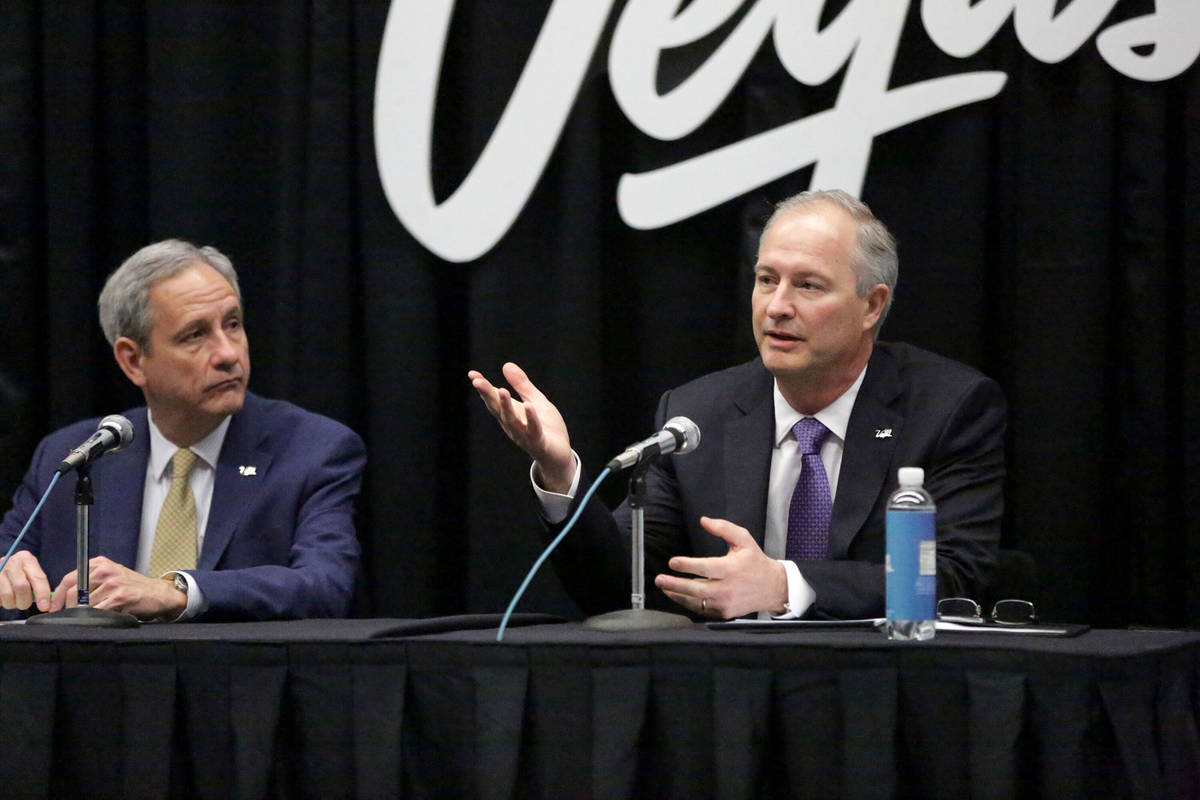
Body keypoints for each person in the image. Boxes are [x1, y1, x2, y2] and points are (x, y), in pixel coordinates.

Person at [470, 190, 1005, 620]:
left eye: (808, 286)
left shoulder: (948, 408)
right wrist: (560, 472)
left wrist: (785, 585)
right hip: (730, 695)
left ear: (872, 305)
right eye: (766, 280)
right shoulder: (696, 414)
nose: (777, 307)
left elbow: (956, 577)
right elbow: (617, 588)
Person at [0, 240, 365, 621]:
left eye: (233, 324)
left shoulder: (314, 450)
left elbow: (326, 586)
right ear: (133, 360)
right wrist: (10, 578)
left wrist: (176, 591)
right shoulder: (73, 456)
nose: (228, 354)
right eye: (195, 335)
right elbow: (8, 559)